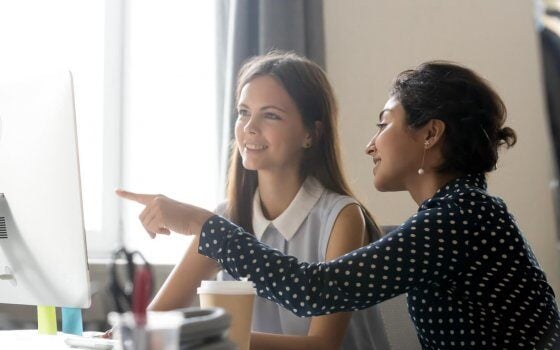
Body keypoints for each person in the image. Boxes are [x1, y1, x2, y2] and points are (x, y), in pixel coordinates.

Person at [121, 60, 560, 349]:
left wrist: (203, 225)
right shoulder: (455, 214)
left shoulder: (463, 217)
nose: (371, 144)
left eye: (385, 124)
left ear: (430, 135)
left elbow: (315, 290)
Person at [118, 52, 390, 350]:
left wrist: (214, 340)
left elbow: (322, 345)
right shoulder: (226, 218)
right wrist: (119, 337)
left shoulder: (342, 218)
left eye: (270, 115)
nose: (249, 126)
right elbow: (156, 319)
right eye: (244, 112)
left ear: (311, 133)